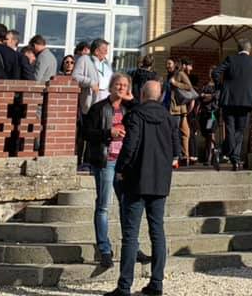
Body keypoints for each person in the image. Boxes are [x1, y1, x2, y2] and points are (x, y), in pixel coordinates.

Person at [108, 80, 179, 296]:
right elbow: (176, 150)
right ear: (160, 96)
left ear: (141, 94)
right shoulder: (169, 118)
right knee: (157, 231)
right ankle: (156, 283)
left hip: (136, 180)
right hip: (159, 182)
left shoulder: (136, 115)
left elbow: (130, 145)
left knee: (131, 234)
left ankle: (124, 286)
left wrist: (120, 168)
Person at [83, 73, 134, 269]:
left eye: (125, 85)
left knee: (127, 205)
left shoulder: (129, 110)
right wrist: (108, 133)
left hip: (124, 163)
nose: (121, 88)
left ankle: (131, 247)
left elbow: (142, 118)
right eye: (118, 84)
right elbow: (86, 133)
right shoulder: (98, 108)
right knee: (104, 205)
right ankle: (104, 249)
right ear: (111, 86)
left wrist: (132, 101)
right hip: (106, 161)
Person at [212, 38, 252, 171]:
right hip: (246, 101)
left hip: (228, 100)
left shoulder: (230, 59)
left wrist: (220, 86)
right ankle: (235, 159)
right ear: (249, 49)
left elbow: (215, 72)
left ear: (238, 49)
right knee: (240, 131)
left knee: (230, 130)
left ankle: (222, 152)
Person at [74, 38, 114, 116]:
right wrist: (91, 82)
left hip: (107, 99)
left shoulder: (107, 63)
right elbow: (75, 76)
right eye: (105, 50)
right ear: (96, 51)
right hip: (92, 99)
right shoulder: (84, 59)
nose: (106, 52)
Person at [166, 57, 195, 167]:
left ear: (175, 64)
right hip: (172, 108)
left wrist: (175, 83)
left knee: (176, 132)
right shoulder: (169, 75)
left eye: (169, 63)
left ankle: (178, 157)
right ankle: (184, 157)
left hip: (177, 109)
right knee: (184, 133)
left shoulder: (180, 74)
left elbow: (189, 87)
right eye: (167, 64)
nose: (167, 66)